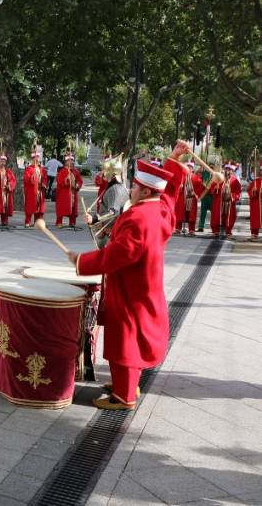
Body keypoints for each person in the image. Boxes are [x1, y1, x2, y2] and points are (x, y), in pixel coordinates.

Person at [68, 141, 189, 410]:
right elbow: (170, 193)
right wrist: (173, 160)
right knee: (131, 336)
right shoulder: (160, 209)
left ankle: (124, 395)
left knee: (125, 339)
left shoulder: (139, 219)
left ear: (145, 190)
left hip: (130, 288)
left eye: (134, 186)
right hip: (143, 285)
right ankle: (128, 382)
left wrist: (81, 261)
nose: (130, 189)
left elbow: (115, 256)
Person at [210, 163, 242, 237]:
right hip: (219, 202)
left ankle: (228, 231)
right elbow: (212, 189)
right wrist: (216, 188)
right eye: (226, 169)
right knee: (216, 216)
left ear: (232, 171)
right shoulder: (219, 179)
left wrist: (232, 196)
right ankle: (215, 231)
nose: (228, 171)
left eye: (230, 170)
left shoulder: (235, 181)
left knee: (229, 216)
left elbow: (238, 192)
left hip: (229, 202)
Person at [55, 154, 83, 228]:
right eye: (70, 161)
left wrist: (77, 185)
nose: (71, 163)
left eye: (72, 161)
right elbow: (59, 181)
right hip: (64, 193)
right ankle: (59, 222)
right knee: (62, 207)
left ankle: (72, 222)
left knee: (73, 208)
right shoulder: (62, 171)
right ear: (66, 162)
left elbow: (80, 181)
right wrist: (66, 180)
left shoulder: (76, 172)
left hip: (73, 192)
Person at [23, 151, 48, 228]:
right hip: (32, 191)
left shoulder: (42, 169)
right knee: (30, 206)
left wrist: (44, 183)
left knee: (39, 207)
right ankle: (28, 221)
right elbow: (26, 179)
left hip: (40, 191)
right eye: (34, 158)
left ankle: (37, 222)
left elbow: (45, 178)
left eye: (37, 158)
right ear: (32, 159)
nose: (36, 159)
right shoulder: (29, 169)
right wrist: (32, 177)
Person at [174, 161, 199, 236]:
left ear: (192, 168)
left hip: (192, 198)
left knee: (192, 215)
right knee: (180, 213)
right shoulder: (181, 176)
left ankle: (191, 230)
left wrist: (196, 194)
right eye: (187, 167)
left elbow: (200, 187)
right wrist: (179, 186)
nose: (188, 168)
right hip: (182, 198)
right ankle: (178, 228)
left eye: (190, 167)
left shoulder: (196, 177)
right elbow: (176, 185)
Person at [249, 163, 262, 240]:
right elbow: (249, 190)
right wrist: (253, 191)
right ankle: (254, 233)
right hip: (257, 202)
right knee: (255, 218)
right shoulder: (255, 181)